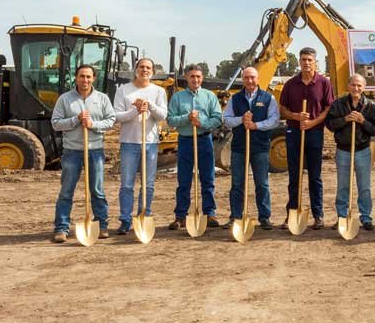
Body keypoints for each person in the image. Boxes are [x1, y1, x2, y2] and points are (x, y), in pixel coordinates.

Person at [51, 64, 116, 243]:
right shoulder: (65, 99)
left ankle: (101, 225)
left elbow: (111, 120)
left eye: (88, 77)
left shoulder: (102, 99)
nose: (85, 80)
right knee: (66, 191)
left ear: (94, 78)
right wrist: (75, 120)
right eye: (82, 76)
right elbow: (56, 123)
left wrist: (93, 124)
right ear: (76, 78)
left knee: (97, 190)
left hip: (95, 150)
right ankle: (61, 228)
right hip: (72, 151)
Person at [279, 47, 335, 230]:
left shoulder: (324, 83)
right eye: (303, 59)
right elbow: (282, 109)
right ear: (299, 61)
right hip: (294, 133)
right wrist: (296, 117)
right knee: (294, 176)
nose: (306, 62)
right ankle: (292, 213)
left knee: (315, 176)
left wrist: (312, 123)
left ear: (315, 62)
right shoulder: (290, 84)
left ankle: (318, 215)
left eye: (309, 59)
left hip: (314, 133)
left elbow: (328, 108)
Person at [113, 58, 168, 235]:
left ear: (153, 71)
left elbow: (162, 115)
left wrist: (149, 106)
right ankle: (125, 220)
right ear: (136, 69)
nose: (145, 70)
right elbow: (116, 116)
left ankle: (144, 215)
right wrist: (135, 110)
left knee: (148, 185)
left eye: (148, 67)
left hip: (150, 143)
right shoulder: (123, 90)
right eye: (142, 67)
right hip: (129, 142)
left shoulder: (159, 91)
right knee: (127, 185)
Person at [222, 66, 280, 231]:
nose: (249, 80)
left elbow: (274, 120)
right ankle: (235, 216)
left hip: (260, 146)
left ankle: (265, 217)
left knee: (262, 183)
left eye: (252, 77)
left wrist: (256, 125)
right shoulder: (235, 98)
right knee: (237, 183)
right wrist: (242, 119)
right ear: (243, 79)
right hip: (239, 147)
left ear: (258, 78)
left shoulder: (268, 98)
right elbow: (226, 120)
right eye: (246, 77)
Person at [166, 64, 223, 230]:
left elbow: (218, 119)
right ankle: (180, 216)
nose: (195, 79)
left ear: (202, 78)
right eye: (192, 76)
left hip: (205, 140)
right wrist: (187, 117)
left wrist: (202, 122)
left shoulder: (209, 96)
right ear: (187, 78)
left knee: (208, 178)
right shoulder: (177, 97)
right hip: (185, 141)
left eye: (198, 76)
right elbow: (170, 120)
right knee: (183, 180)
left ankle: (209, 213)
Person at [325, 73, 375, 231]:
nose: (356, 88)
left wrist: (363, 121)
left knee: (365, 186)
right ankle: (342, 216)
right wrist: (345, 120)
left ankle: (366, 217)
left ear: (364, 87)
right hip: (343, 151)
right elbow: (329, 124)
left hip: (362, 150)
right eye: (353, 85)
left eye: (359, 85)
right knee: (343, 186)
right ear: (348, 86)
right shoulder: (339, 104)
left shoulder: (370, 106)